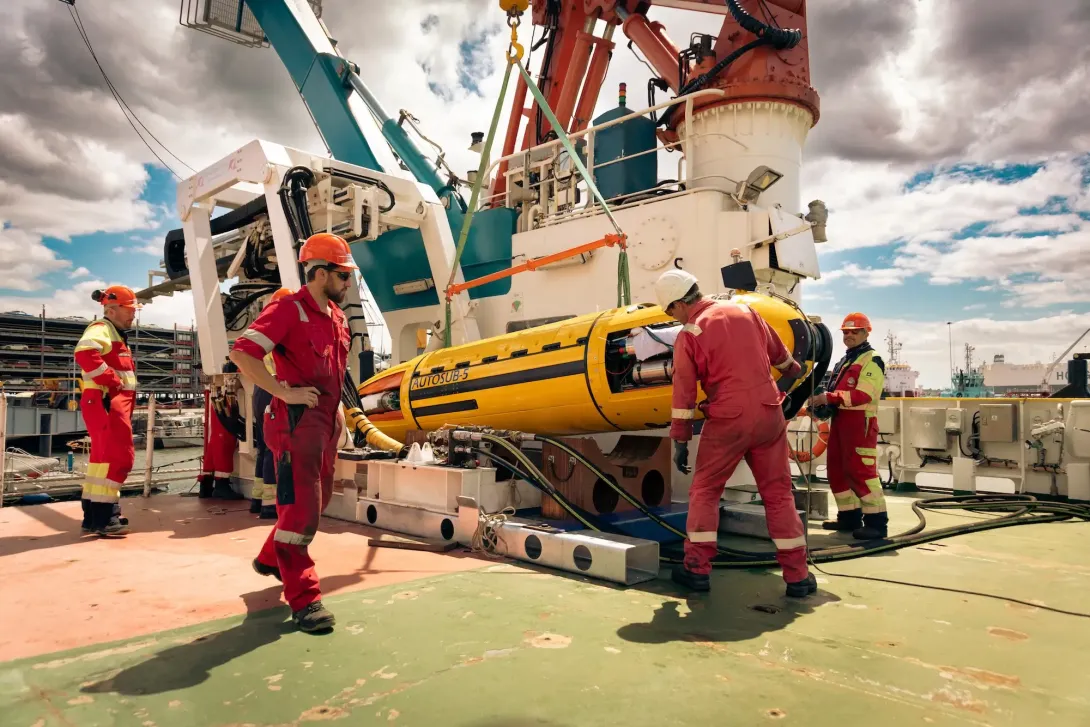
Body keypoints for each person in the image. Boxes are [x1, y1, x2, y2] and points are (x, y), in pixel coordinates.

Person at [655, 269, 816, 597]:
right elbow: (787, 362)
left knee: (705, 491)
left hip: (728, 418)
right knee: (778, 495)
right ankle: (798, 576)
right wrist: (786, 383)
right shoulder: (746, 310)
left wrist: (680, 440)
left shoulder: (690, 334)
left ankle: (696, 569)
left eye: (668, 311)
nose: (671, 318)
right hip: (770, 414)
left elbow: (683, 394)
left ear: (678, 303)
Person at [228, 234, 353, 633]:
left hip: (326, 422)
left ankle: (270, 558)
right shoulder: (289, 309)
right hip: (295, 424)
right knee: (301, 513)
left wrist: (341, 416)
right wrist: (283, 391)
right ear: (319, 274)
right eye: (342, 274)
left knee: (319, 500)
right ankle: (305, 599)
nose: (348, 282)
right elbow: (242, 352)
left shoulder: (337, 317)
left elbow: (336, 373)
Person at [807, 313, 888, 539]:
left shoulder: (872, 360)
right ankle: (849, 517)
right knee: (837, 470)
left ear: (865, 333)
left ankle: (877, 522)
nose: (849, 335)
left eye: (854, 331)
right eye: (845, 332)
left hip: (860, 423)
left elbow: (864, 395)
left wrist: (829, 398)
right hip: (841, 421)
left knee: (862, 472)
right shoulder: (846, 361)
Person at [74, 285, 141, 537]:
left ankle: (94, 517)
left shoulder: (113, 332)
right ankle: (107, 518)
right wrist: (112, 382)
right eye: (130, 309)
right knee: (119, 458)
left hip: (103, 401)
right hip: (107, 401)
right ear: (112, 310)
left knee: (101, 463)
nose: (133, 315)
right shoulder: (101, 329)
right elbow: (84, 353)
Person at [249, 288, 294, 519]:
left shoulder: (263, 329)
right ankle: (270, 505)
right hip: (275, 390)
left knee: (264, 446)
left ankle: (258, 500)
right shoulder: (281, 329)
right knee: (276, 447)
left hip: (260, 390)